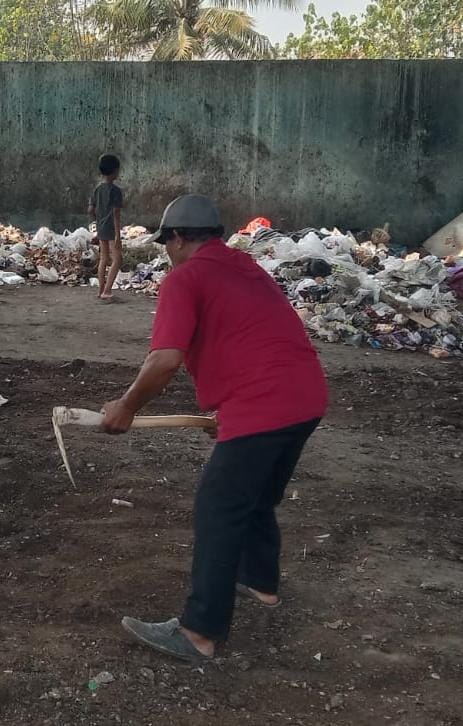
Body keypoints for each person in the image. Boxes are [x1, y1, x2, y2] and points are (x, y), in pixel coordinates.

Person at [99, 194, 328, 663]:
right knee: (257, 497)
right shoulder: (244, 266)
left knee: (219, 507)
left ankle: (199, 631)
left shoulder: (186, 278)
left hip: (264, 403)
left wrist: (125, 405)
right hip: (306, 396)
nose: (168, 251)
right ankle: (261, 583)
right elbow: (254, 338)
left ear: (179, 238)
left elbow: (164, 360)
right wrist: (229, 408)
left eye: (168, 243)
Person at [88, 154, 124, 301]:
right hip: (111, 228)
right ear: (115, 171)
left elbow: (90, 210)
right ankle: (107, 291)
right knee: (117, 259)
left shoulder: (97, 189)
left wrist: (96, 223)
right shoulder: (115, 191)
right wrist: (117, 235)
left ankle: (100, 290)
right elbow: (116, 213)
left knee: (103, 258)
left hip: (101, 227)